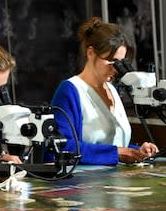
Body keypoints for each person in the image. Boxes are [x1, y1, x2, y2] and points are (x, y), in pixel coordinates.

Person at [51, 17, 158, 165]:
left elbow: (114, 144)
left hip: (116, 182)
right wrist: (119, 153)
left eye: (120, 63)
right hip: (86, 184)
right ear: (90, 53)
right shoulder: (70, 91)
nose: (115, 68)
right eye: (111, 61)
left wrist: (136, 151)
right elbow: (61, 147)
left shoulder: (112, 90)